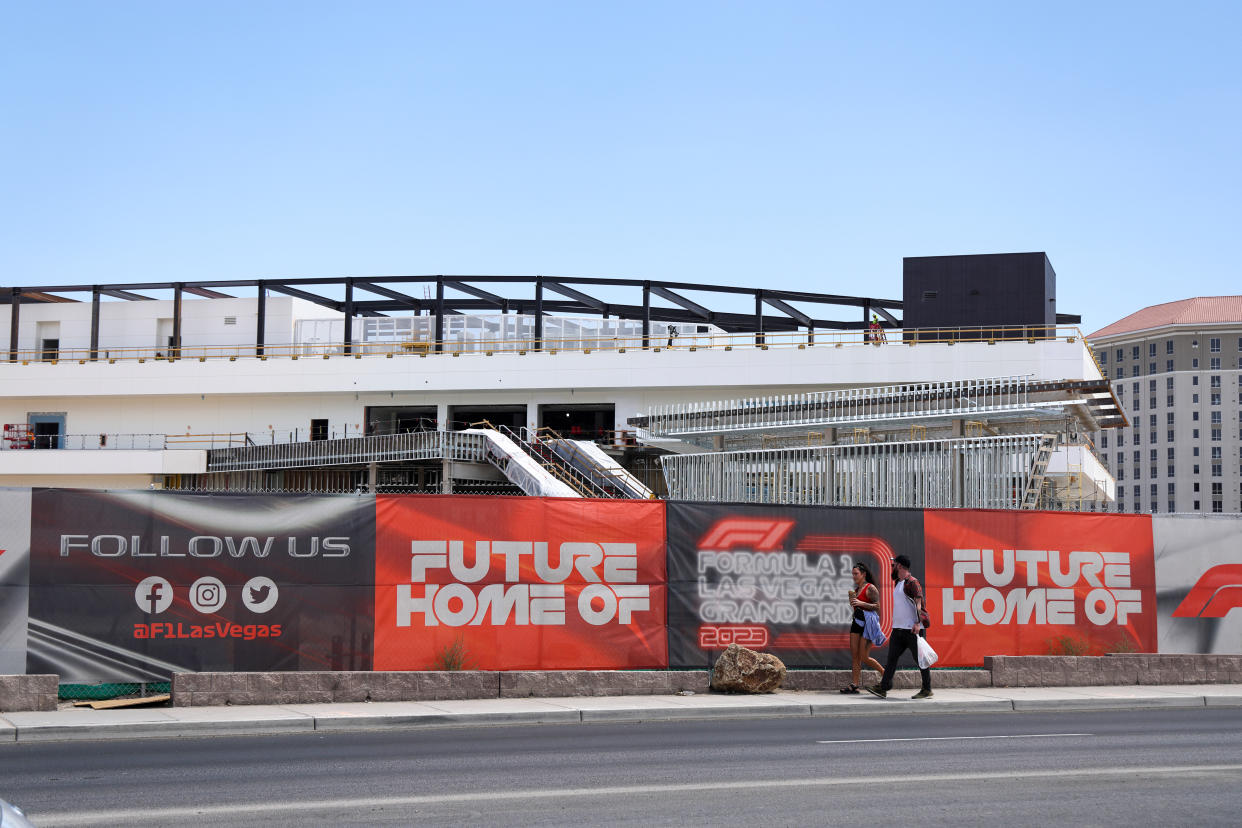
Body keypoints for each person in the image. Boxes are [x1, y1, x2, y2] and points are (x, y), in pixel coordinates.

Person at [866, 554, 933, 699]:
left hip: (912, 630)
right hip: (898, 630)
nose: (892, 567)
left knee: (921, 660)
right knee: (891, 659)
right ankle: (883, 688)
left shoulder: (912, 582)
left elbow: (919, 602)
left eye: (893, 565)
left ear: (900, 566)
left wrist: (917, 622)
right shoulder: (899, 583)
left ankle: (927, 689)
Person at [840, 562, 885, 694]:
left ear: (863, 574)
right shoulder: (855, 590)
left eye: (856, 574)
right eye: (852, 574)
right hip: (856, 623)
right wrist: (854, 603)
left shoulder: (870, 588)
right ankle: (854, 685)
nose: (854, 576)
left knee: (864, 657)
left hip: (867, 625)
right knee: (855, 656)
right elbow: (858, 607)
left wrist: (861, 603)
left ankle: (885, 674)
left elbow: (877, 606)